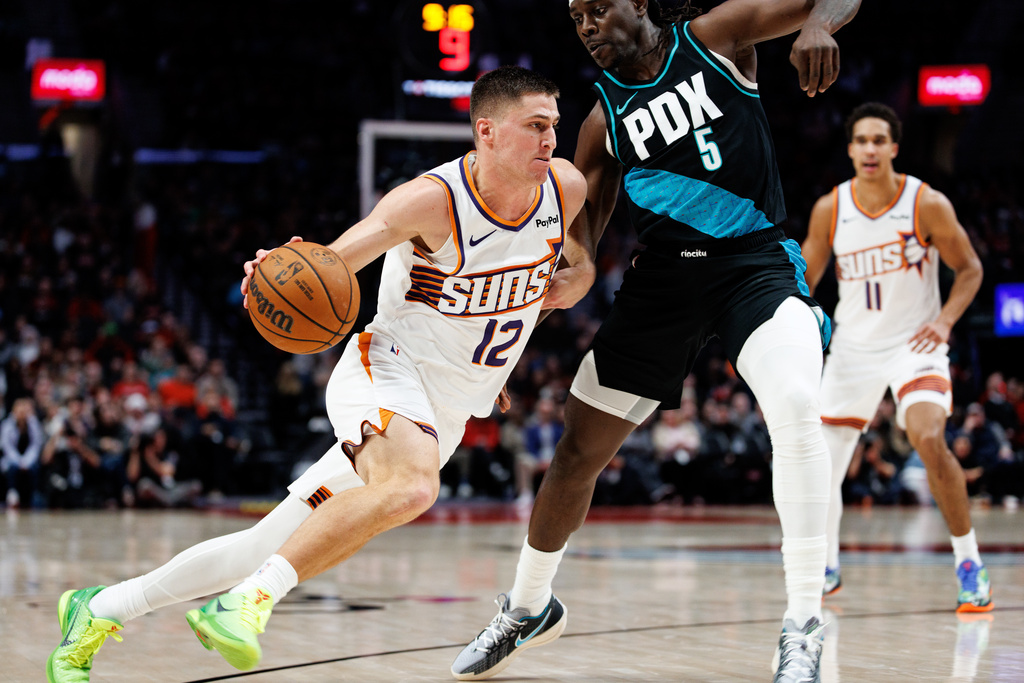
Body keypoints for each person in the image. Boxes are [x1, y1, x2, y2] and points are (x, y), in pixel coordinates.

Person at [45, 65, 588, 682]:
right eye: (535, 126)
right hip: (385, 371)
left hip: (451, 410)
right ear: (487, 132)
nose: (550, 140)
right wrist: (275, 269)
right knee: (413, 489)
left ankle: (97, 609)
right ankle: (247, 603)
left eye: (554, 126)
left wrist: (582, 278)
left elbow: (559, 264)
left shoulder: (564, 189)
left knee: (257, 547)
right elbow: (332, 262)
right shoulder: (430, 201)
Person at [451, 1, 860, 681]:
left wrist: (819, 24)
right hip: (661, 284)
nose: (582, 24)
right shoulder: (600, 118)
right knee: (576, 451)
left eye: (595, 8)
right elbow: (578, 247)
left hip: (751, 264)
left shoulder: (717, 36)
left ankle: (803, 623)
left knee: (794, 403)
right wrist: (545, 292)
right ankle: (527, 606)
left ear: (639, 4)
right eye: (573, 14)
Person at [800, 102, 989, 612]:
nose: (869, 149)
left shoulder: (925, 202)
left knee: (929, 438)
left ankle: (969, 562)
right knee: (821, 470)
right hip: (854, 349)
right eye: (860, 140)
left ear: (894, 147)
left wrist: (946, 320)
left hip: (914, 345)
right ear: (849, 149)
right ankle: (828, 565)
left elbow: (970, 269)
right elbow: (804, 281)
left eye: (878, 140)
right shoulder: (831, 208)